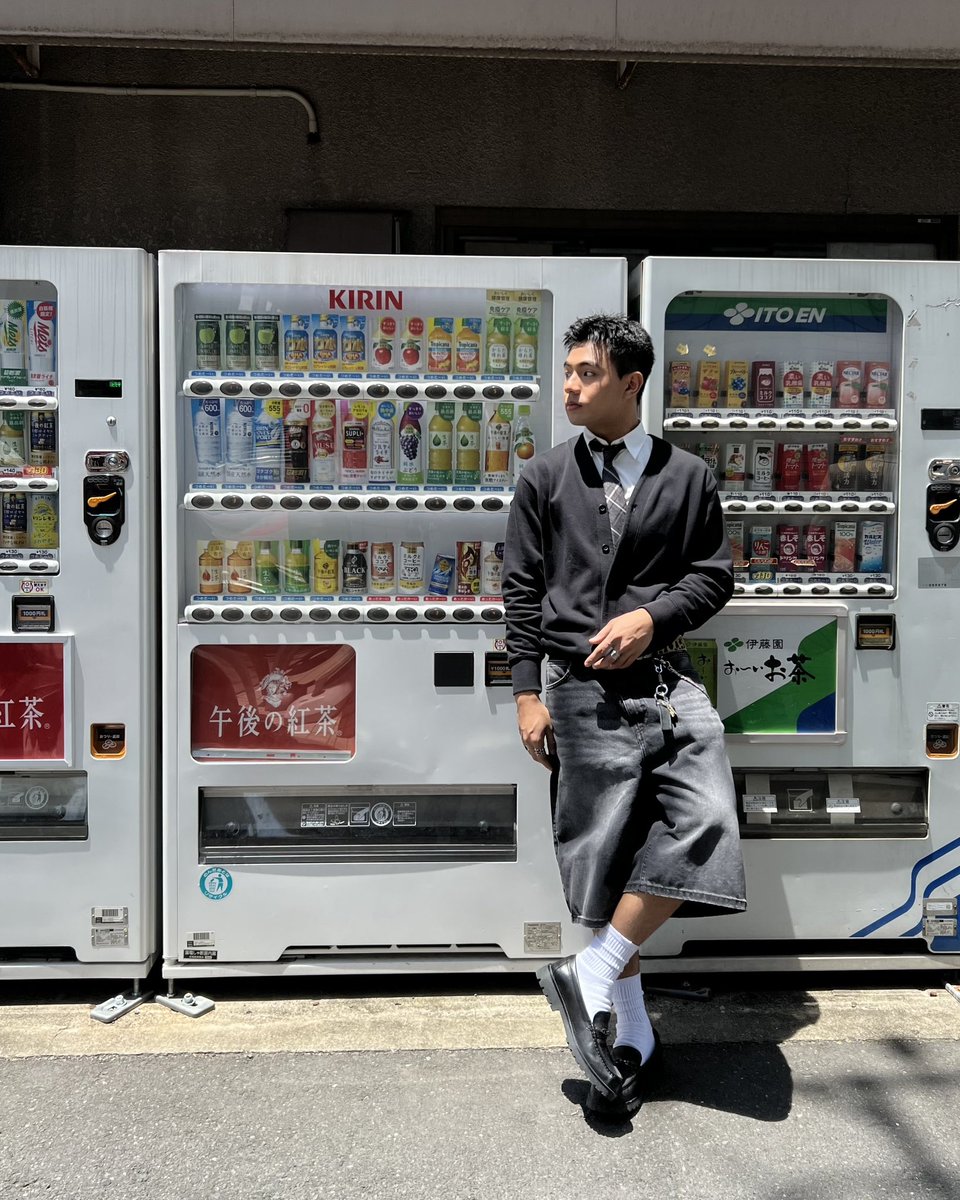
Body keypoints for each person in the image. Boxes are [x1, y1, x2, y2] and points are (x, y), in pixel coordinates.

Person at [502, 314, 746, 1121]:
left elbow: (712, 576)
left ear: (630, 383)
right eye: (568, 371)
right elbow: (520, 591)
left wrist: (652, 618)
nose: (570, 386)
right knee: (603, 860)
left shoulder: (689, 475)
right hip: (577, 690)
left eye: (587, 373)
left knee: (708, 818)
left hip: (668, 680)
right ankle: (631, 1034)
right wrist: (526, 693)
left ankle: (593, 972)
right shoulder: (543, 476)